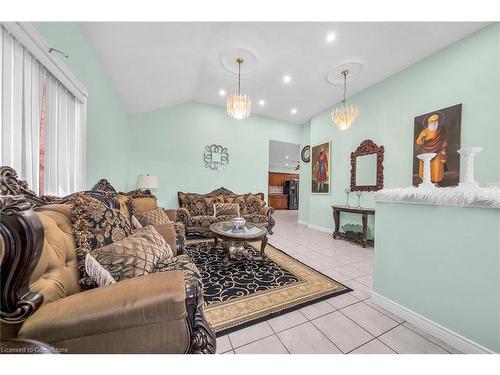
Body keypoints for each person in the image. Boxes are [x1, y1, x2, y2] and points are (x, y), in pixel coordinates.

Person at [416, 113, 448, 183]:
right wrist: (422, 137)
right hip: (425, 152)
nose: (434, 122)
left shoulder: (440, 130)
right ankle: (425, 182)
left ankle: (436, 181)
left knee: (436, 167)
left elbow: (444, 140)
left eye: (435, 121)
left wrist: (444, 148)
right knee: (426, 168)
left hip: (438, 151)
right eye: (432, 121)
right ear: (428, 122)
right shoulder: (424, 131)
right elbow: (418, 142)